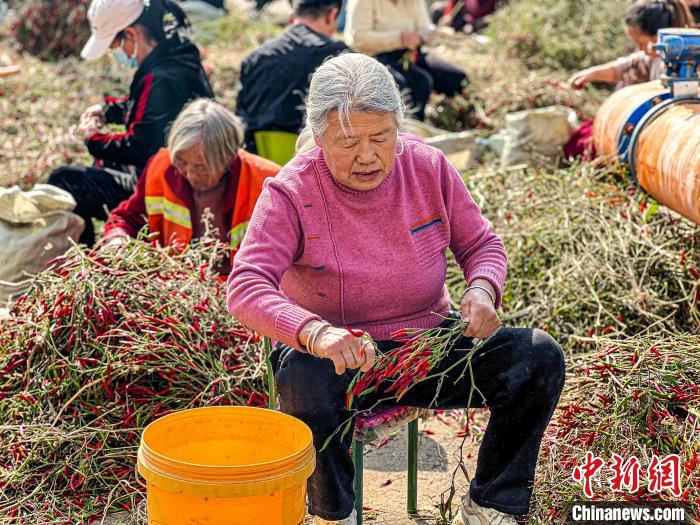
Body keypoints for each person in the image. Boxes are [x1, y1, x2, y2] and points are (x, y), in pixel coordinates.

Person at [227, 54, 565, 525]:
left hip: (429, 345)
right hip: (340, 357)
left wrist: (483, 290)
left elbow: (482, 243)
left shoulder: (427, 167)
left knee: (537, 357)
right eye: (348, 142)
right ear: (319, 138)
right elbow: (246, 285)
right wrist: (316, 333)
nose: (367, 156)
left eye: (381, 138)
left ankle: (491, 503)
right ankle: (333, 513)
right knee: (303, 379)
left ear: (398, 130)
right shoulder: (290, 191)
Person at [48, 0, 214, 247]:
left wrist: (91, 138)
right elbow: (151, 111)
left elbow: (138, 146)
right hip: (185, 177)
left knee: (64, 179)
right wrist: (107, 110)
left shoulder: (159, 79)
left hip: (169, 189)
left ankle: (83, 255)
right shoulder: (176, 59)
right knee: (102, 163)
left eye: (114, 45)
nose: (115, 53)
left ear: (131, 34)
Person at [102, 99, 280, 274]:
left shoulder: (268, 181)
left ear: (228, 158)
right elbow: (129, 217)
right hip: (176, 286)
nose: (190, 174)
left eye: (201, 167)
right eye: (182, 162)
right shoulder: (162, 166)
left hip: (239, 292)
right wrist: (117, 239)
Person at [236, 0, 349, 153]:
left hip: (257, 162)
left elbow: (240, 117)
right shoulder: (337, 57)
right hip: (310, 161)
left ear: (294, 14)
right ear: (332, 15)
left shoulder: (255, 58)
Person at [344, 0, 468, 121]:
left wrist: (426, 34)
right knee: (418, 83)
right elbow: (358, 38)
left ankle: (446, 118)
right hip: (376, 57)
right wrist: (399, 39)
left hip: (411, 53)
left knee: (456, 78)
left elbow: (424, 26)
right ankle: (411, 129)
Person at [568, 0, 693, 90]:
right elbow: (626, 68)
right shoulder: (653, 60)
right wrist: (591, 74)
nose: (639, 49)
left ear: (660, 38)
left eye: (641, 44)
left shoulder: (690, 62)